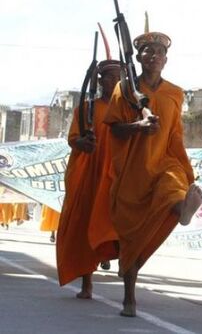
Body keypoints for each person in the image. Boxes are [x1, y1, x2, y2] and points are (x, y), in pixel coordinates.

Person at [104, 28, 202, 317]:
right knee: (132, 237)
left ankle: (183, 209)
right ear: (139, 57)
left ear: (166, 60)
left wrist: (186, 169)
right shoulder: (125, 89)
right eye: (148, 51)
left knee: (174, 187)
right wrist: (139, 127)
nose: (154, 56)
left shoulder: (175, 93)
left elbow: (175, 134)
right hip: (133, 171)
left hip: (165, 161)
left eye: (159, 52)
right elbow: (114, 130)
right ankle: (129, 298)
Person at [56, 56, 121, 299]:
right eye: (110, 77)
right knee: (85, 222)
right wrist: (84, 142)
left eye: (118, 78)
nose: (114, 81)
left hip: (115, 173)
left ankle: (118, 261)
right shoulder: (85, 108)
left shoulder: (126, 108)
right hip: (89, 173)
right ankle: (87, 283)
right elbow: (74, 139)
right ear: (101, 80)